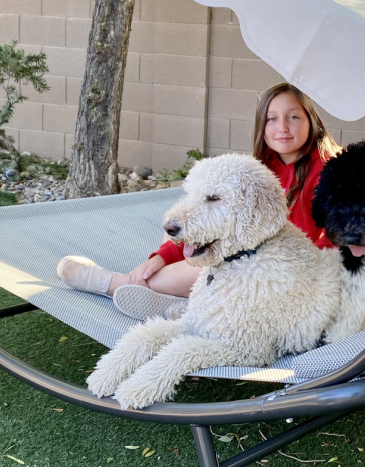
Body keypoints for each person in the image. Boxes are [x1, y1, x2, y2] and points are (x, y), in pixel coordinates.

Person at [58, 82, 339, 319]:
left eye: (293, 117)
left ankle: (108, 282)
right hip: (244, 257)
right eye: (272, 118)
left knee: (181, 275)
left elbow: (334, 241)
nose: (283, 128)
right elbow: (212, 222)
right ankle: (185, 305)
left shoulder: (331, 170)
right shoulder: (254, 170)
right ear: (261, 125)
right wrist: (162, 256)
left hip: (287, 274)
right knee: (186, 228)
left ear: (311, 120)